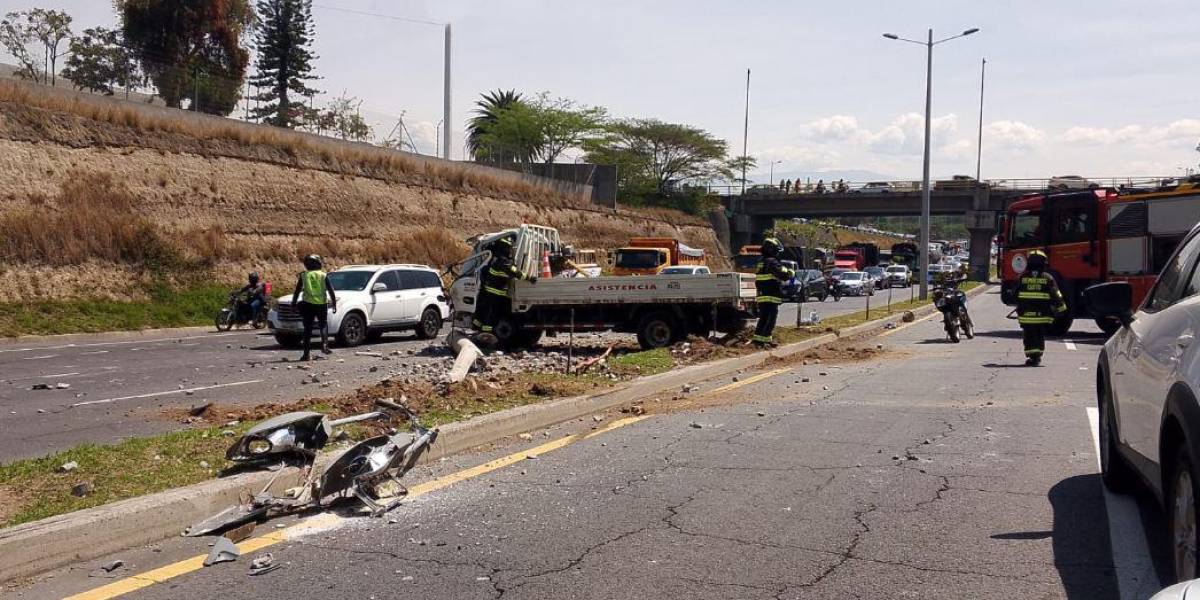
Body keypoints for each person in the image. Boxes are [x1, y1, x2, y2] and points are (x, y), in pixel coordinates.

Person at [473, 236, 537, 344]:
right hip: (494, 293)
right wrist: (529, 278)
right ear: (505, 248)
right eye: (510, 248)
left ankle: (481, 331)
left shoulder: (498, 259)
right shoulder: (503, 262)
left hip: (492, 291)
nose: (511, 251)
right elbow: (514, 272)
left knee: (487, 313)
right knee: (492, 314)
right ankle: (486, 337)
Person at [1015, 250, 1067, 366]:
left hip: (1026, 316)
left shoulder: (1022, 277)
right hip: (1042, 315)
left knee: (1029, 335)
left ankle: (1033, 357)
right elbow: (1056, 294)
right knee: (1039, 335)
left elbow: (1015, 294)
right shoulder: (1047, 278)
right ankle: (1037, 356)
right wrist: (1062, 309)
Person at [291, 254, 337, 361]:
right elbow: (330, 290)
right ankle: (325, 344)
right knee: (323, 324)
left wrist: (293, 304)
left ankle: (306, 354)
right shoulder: (323, 275)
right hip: (321, 304)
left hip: (308, 304)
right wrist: (334, 303)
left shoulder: (304, 275)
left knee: (307, 329)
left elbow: (297, 291)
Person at [752, 237, 795, 347]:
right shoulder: (772, 262)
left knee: (764, 318)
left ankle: (761, 339)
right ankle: (763, 340)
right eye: (777, 251)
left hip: (763, 295)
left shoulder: (762, 262)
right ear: (773, 250)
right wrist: (790, 272)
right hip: (770, 295)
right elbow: (783, 274)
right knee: (770, 318)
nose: (778, 254)